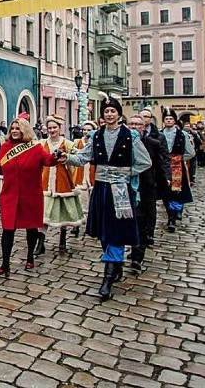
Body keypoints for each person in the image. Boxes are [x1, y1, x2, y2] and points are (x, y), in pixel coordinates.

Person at [63, 93, 151, 301]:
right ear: (102, 116)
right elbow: (83, 158)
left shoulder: (131, 136)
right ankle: (117, 263)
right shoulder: (96, 135)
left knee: (116, 232)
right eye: (106, 111)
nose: (109, 114)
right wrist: (66, 157)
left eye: (113, 111)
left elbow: (144, 161)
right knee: (104, 231)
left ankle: (107, 281)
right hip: (101, 189)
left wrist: (126, 173)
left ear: (119, 114)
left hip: (120, 190)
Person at [0, 117, 62, 278]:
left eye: (18, 128)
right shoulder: (5, 147)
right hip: (10, 194)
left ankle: (30, 256)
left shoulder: (35, 148)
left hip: (31, 195)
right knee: (8, 229)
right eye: (12, 128)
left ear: (25, 130)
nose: (14, 131)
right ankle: (5, 264)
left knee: (31, 229)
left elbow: (47, 160)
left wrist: (56, 156)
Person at [127, 115, 170, 273]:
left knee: (142, 222)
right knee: (130, 221)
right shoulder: (122, 142)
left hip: (146, 188)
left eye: (137, 124)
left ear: (143, 127)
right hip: (126, 189)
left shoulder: (153, 144)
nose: (134, 127)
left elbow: (159, 166)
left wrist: (164, 184)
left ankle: (138, 258)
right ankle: (133, 248)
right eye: (131, 123)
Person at [36, 115, 84, 257]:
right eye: (49, 128)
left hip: (63, 182)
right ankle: (40, 243)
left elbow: (78, 158)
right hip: (45, 183)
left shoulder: (67, 144)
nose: (52, 130)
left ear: (59, 128)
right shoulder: (41, 143)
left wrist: (67, 158)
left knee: (63, 211)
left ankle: (62, 240)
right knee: (43, 215)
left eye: (54, 127)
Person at [160, 108, 196, 233]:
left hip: (177, 168)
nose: (169, 120)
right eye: (166, 119)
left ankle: (175, 214)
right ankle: (170, 215)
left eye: (171, 119)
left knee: (177, 192)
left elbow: (191, 153)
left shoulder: (182, 134)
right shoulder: (160, 134)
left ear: (174, 120)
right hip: (163, 168)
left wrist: (179, 159)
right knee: (165, 193)